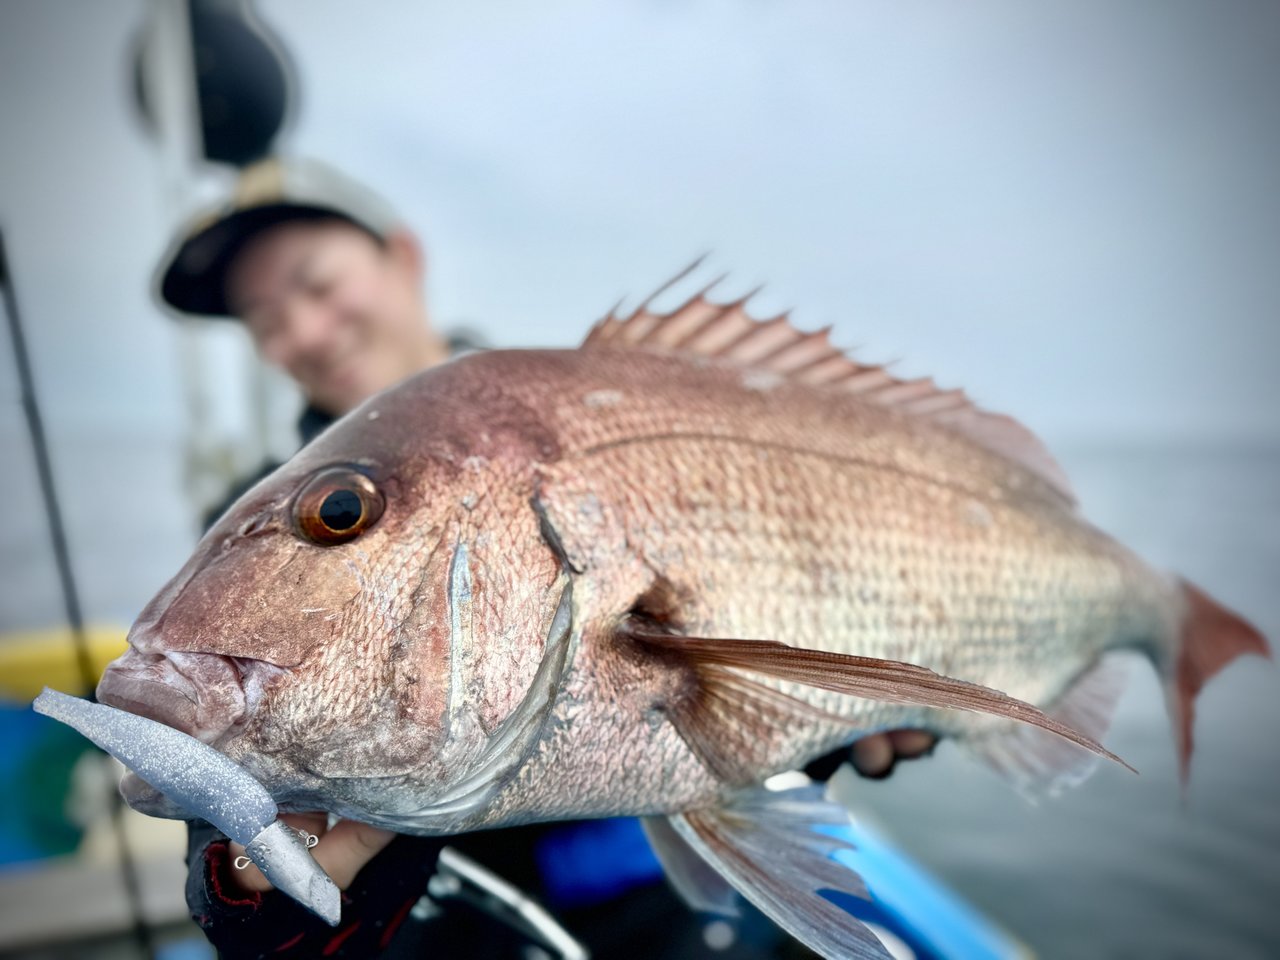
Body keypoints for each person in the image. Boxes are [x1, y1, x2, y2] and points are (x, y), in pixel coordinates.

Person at [156, 158, 937, 958]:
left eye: (317, 284)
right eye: (264, 319)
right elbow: (223, 867)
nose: (305, 334)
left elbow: (739, 649)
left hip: (675, 913)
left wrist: (832, 717)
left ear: (405, 257)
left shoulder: (608, 416)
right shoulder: (259, 530)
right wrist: (267, 874)